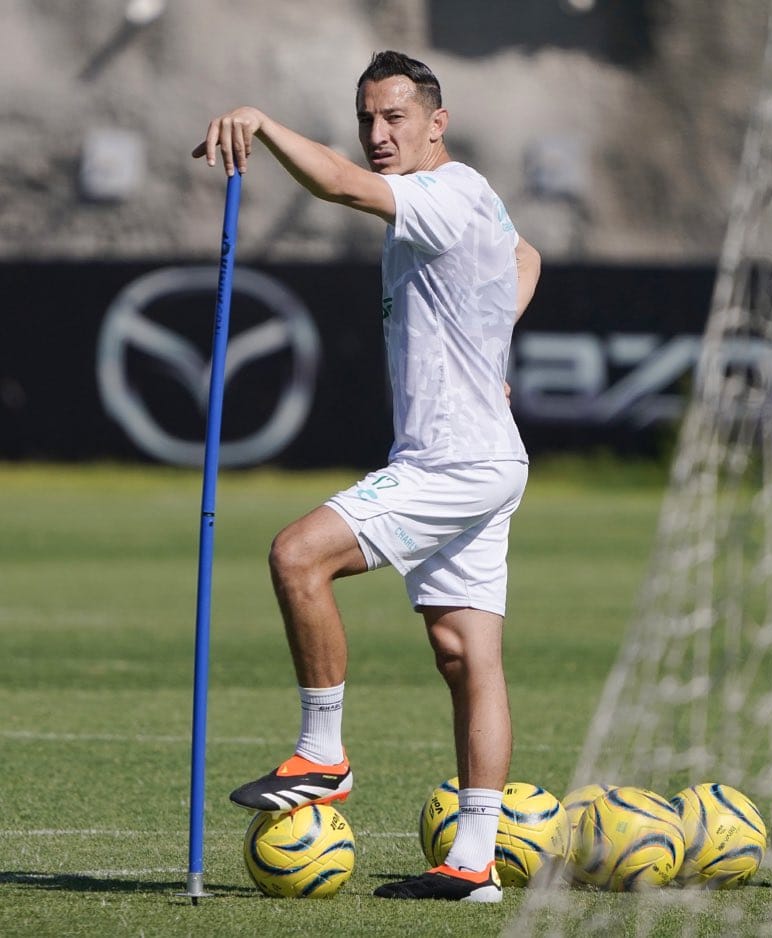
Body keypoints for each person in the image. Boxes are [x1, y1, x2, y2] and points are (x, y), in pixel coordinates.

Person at [193, 50, 540, 903]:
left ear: (436, 122)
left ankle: (322, 754)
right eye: (367, 120)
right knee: (466, 656)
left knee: (297, 555)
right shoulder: (468, 200)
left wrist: (265, 124)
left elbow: (343, 186)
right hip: (484, 456)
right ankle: (474, 864)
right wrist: (494, 340)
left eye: (395, 118)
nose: (379, 136)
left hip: (452, 458)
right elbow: (526, 255)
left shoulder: (443, 191)